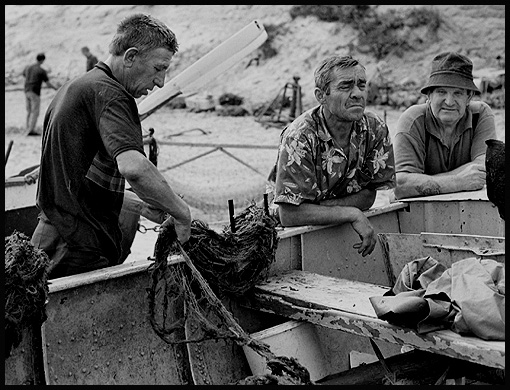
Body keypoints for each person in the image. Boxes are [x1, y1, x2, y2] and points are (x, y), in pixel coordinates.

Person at [31, 13, 192, 279]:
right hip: (78, 247)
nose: (161, 82)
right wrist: (182, 212)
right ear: (130, 57)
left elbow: (76, 176)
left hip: (52, 238)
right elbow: (134, 168)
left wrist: (144, 205)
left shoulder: (77, 87)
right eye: (158, 68)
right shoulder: (112, 95)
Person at [267, 55, 396, 257]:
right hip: (280, 235)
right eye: (345, 87)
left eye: (361, 85)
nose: (357, 94)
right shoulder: (299, 137)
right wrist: (351, 212)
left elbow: (369, 194)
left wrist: (319, 209)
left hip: (330, 230)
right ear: (321, 96)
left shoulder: (374, 128)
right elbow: (289, 214)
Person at [393, 52, 497, 200]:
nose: (449, 101)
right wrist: (458, 182)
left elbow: (482, 171)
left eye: (458, 93)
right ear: (429, 95)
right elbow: (400, 185)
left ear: (469, 97)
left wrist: (420, 181)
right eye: (441, 92)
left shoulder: (480, 114)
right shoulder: (412, 120)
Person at [22, 52, 58, 136]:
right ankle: (31, 129)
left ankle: (27, 127)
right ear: (43, 60)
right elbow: (48, 83)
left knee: (29, 111)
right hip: (35, 91)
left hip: (26, 90)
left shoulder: (28, 67)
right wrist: (56, 88)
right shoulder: (41, 71)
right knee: (35, 111)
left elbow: (24, 74)